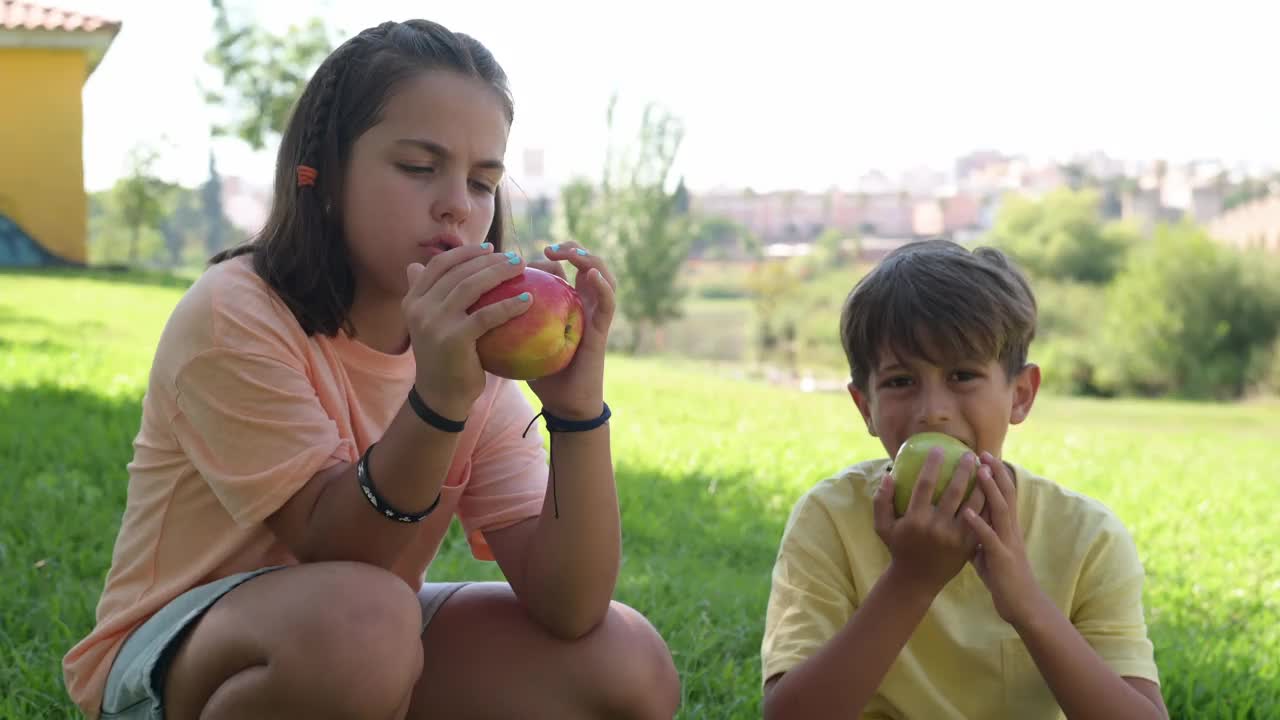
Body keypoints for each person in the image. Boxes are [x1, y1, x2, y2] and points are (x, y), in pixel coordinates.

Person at [63, 19, 679, 720]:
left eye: (483, 181)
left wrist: (575, 412)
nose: (456, 202)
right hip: (169, 665)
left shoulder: (470, 344)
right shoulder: (238, 313)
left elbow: (570, 606)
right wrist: (440, 401)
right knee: (365, 624)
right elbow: (336, 546)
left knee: (628, 664)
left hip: (356, 638)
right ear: (322, 175)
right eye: (419, 167)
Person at [760, 239, 1167, 719]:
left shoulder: (1086, 537)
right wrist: (911, 582)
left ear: (1020, 394)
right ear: (865, 407)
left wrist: (1027, 605)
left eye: (962, 375)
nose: (933, 411)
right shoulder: (830, 519)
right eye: (900, 381)